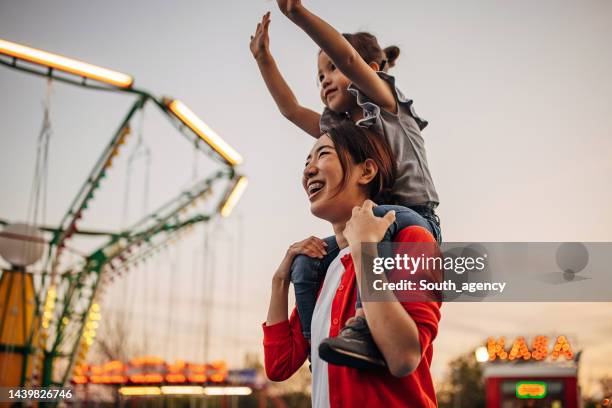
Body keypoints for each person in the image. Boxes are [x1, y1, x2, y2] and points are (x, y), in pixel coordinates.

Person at [250, 1, 441, 368]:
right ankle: (314, 343)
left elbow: (352, 63)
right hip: (368, 226)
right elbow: (290, 110)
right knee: (307, 262)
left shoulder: (388, 107)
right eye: (319, 75)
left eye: (331, 67)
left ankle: (364, 329)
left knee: (379, 215)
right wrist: (263, 59)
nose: (324, 80)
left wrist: (297, 14)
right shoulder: (346, 134)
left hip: (413, 219)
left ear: (371, 71)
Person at [263, 121, 441, 407]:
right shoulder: (323, 269)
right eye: (306, 161)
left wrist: (363, 250)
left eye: (323, 155)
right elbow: (278, 366)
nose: (308, 170)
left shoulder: (410, 240)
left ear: (366, 170)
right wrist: (280, 281)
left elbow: (403, 357)